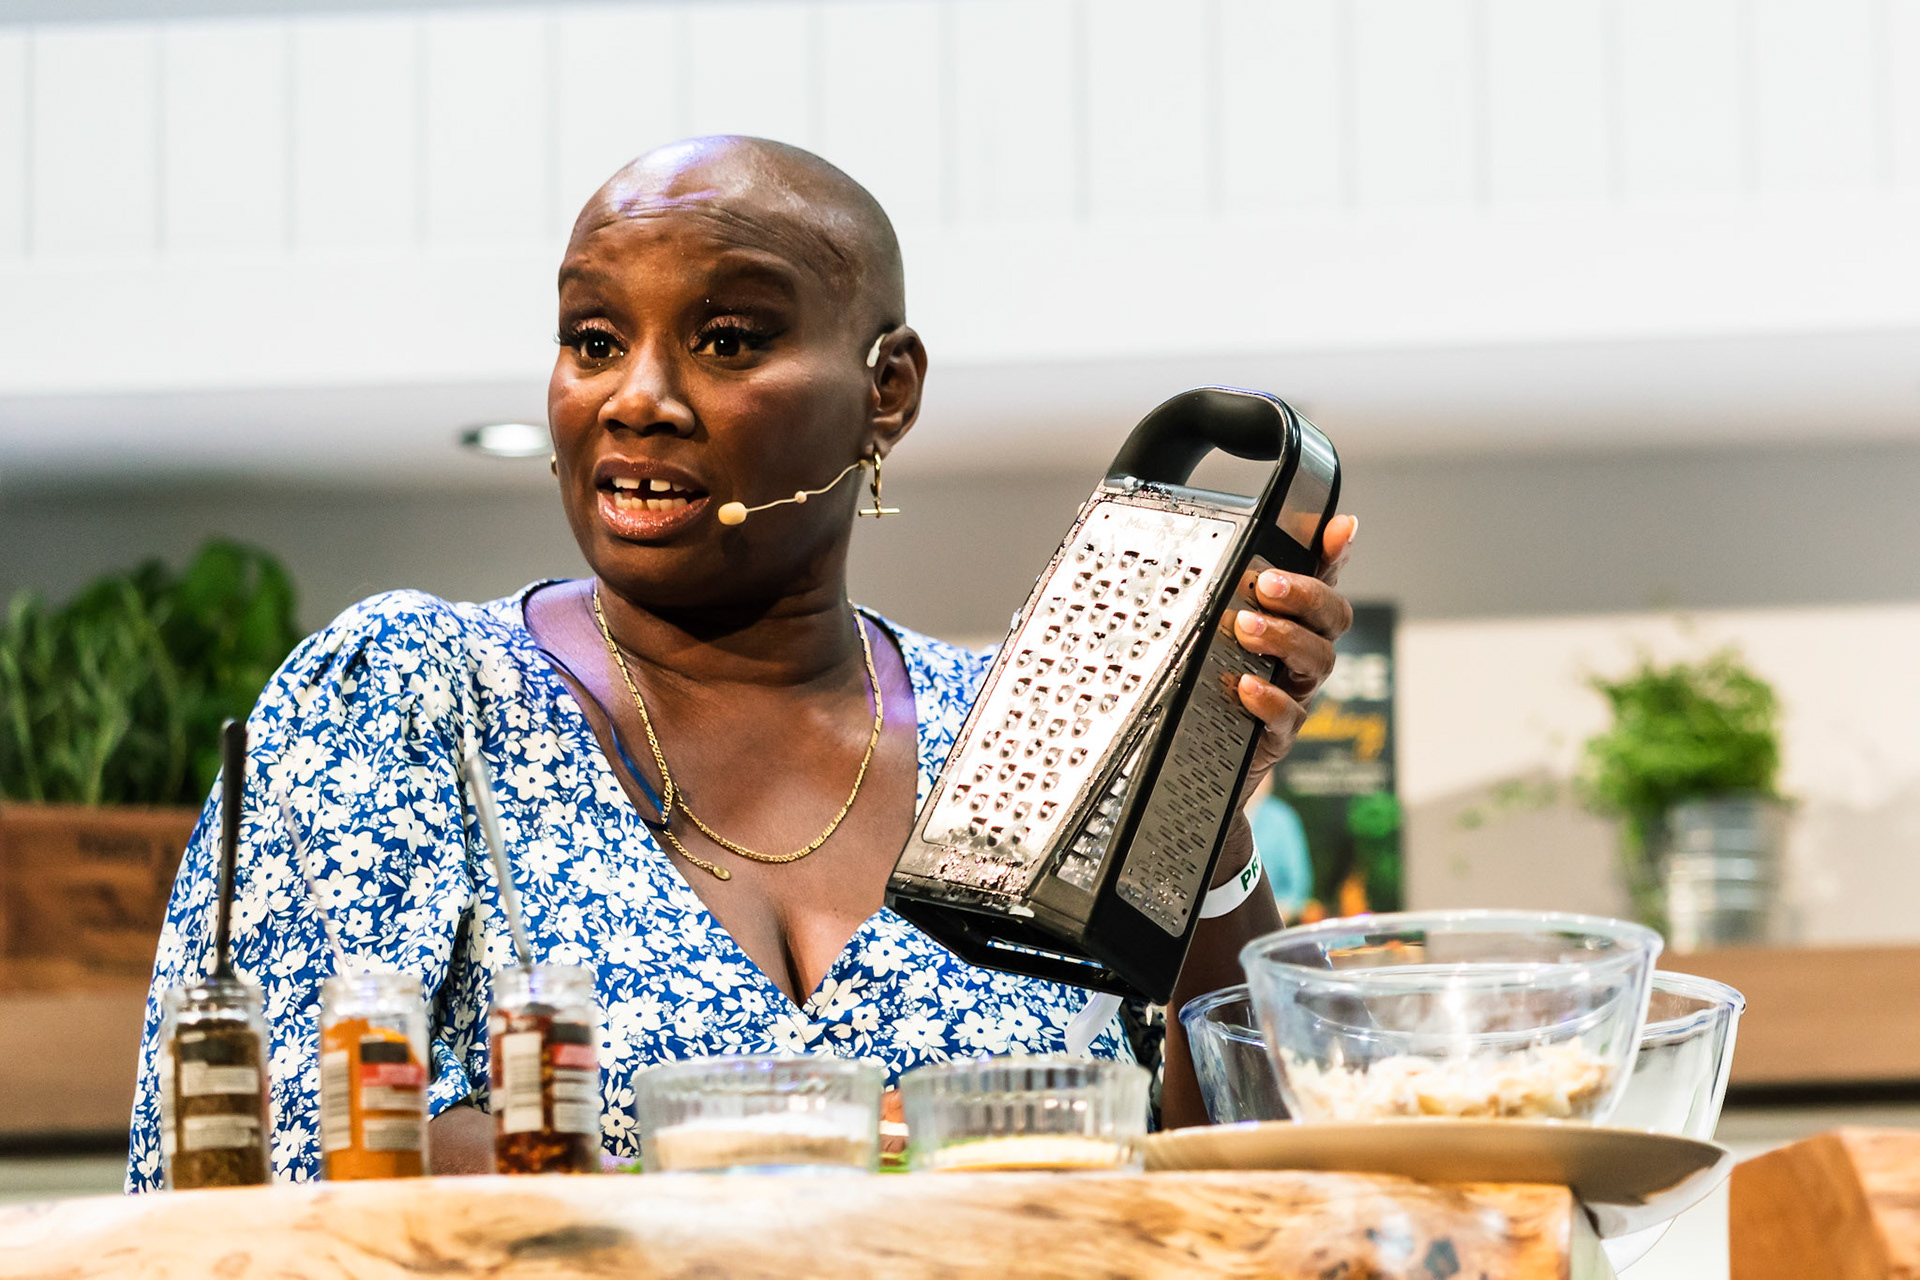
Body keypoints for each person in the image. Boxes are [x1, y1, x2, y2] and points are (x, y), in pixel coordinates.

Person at [126, 136, 1356, 1188]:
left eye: (726, 338)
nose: (637, 397)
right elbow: (307, 1166)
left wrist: (1205, 794)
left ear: (889, 389)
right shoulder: (409, 692)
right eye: (593, 338)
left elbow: (1231, 1173)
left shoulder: (1028, 730)